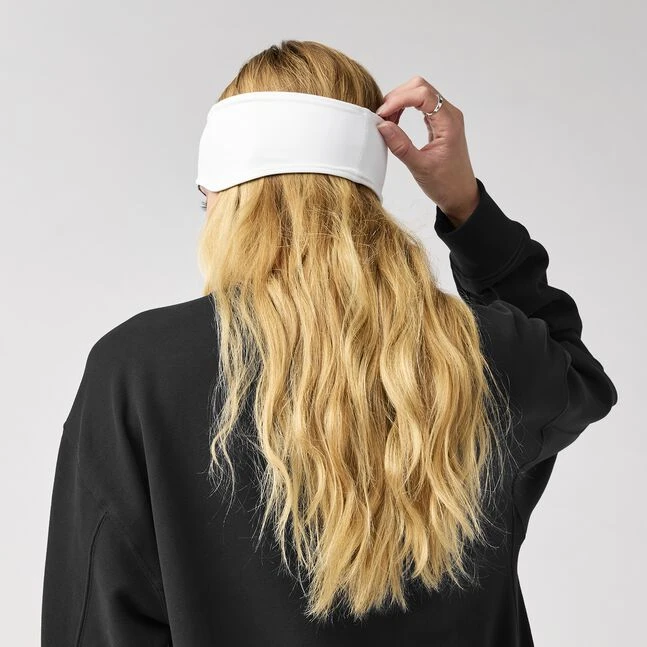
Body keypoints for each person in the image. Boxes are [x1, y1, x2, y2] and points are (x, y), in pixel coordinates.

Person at [41, 40, 618, 646]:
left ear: (225, 201)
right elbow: (576, 375)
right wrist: (464, 205)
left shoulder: (138, 369)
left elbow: (99, 620)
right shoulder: (482, 353)